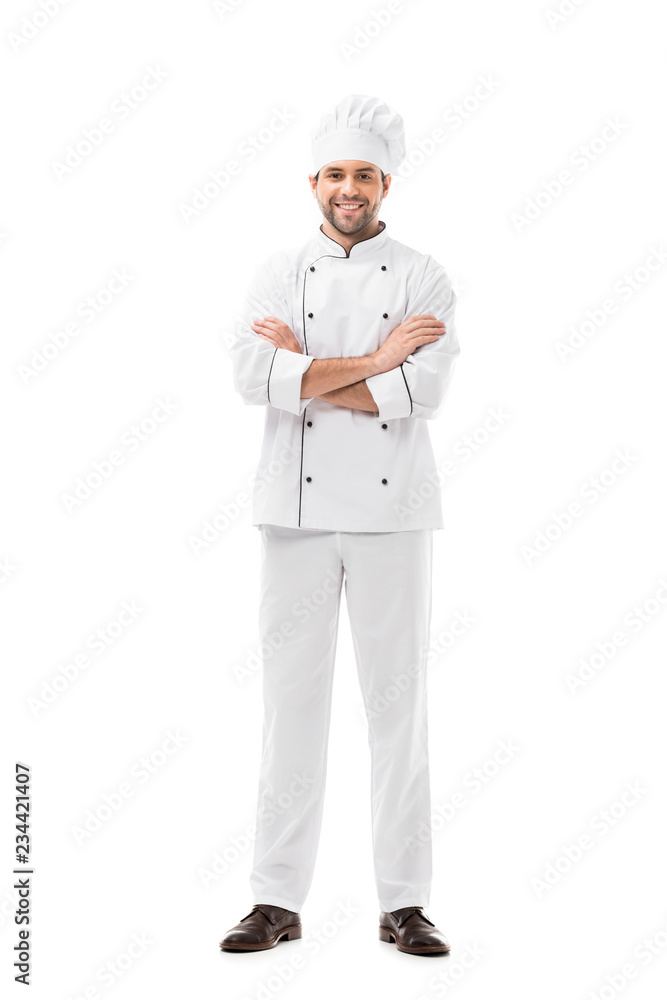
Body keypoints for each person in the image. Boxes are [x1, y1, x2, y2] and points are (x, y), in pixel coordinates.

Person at [220, 94, 461, 956]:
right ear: (312, 183)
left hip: (393, 517)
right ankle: (275, 899)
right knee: (292, 707)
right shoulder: (277, 272)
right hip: (293, 514)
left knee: (398, 708)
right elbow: (255, 377)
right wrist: (374, 362)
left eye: (362, 173)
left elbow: (420, 396)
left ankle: (404, 903)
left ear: (385, 181)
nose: (347, 187)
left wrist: (309, 371)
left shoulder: (426, 276)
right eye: (334, 174)